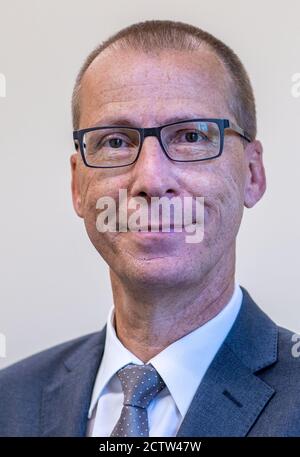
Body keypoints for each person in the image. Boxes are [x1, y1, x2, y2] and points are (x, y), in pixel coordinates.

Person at [1, 19, 300, 438]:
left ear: (253, 174)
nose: (151, 179)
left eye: (190, 136)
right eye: (116, 142)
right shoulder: (8, 402)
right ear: (78, 186)